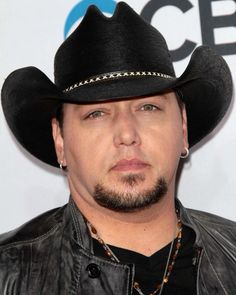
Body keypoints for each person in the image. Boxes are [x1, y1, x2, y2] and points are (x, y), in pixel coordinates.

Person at [0, 2, 235, 294]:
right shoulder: (7, 273)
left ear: (183, 127)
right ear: (60, 141)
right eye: (96, 114)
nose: (126, 134)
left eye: (148, 107)